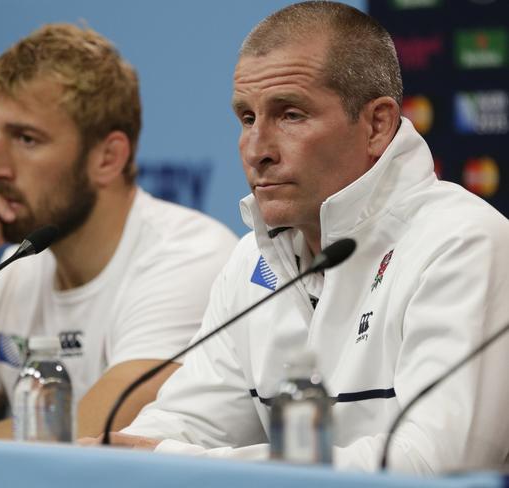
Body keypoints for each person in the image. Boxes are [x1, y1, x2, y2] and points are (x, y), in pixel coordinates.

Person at [103, 1, 509, 474]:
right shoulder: (252, 262)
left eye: (290, 115)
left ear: (376, 124)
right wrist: (117, 459)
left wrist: (173, 460)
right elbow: (179, 427)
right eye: (247, 118)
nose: (257, 151)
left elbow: (434, 464)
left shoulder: (462, 243)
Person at [0, 24, 237, 438]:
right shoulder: (13, 270)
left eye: (26, 138)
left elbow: (92, 436)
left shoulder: (189, 256)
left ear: (108, 158)